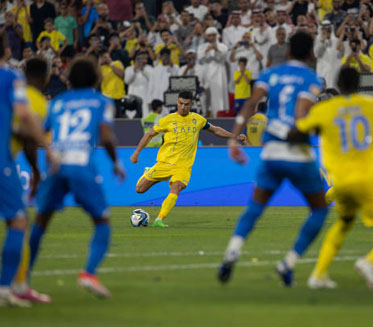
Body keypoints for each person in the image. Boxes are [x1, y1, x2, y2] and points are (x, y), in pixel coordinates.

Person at [218, 32, 329, 287]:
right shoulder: (312, 79)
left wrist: (234, 138)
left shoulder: (270, 75)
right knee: (320, 210)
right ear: (312, 54)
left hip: (271, 154)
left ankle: (231, 252)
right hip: (298, 155)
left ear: (288, 52)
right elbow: (301, 115)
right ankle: (288, 263)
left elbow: (249, 105)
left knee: (255, 207)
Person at [27, 56, 125, 299]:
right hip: (81, 166)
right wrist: (116, 163)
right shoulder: (102, 101)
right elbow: (106, 135)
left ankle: (21, 281)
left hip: (57, 166)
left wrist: (45, 161)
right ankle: (89, 274)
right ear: (96, 77)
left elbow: (40, 133)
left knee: (40, 222)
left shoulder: (57, 103)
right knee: (102, 222)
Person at [300, 67, 373, 292]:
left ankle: (318, 274)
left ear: (338, 85)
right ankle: (369, 262)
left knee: (343, 224)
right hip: (367, 176)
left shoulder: (325, 110)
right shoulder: (369, 105)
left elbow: (299, 129)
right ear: (358, 85)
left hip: (342, 178)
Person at [0, 31, 53, 307]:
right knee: (18, 220)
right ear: (8, 53)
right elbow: (22, 116)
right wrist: (48, 146)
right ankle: (5, 291)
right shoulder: (11, 79)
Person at [130, 91, 246, 228]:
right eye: (180, 104)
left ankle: (159, 219)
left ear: (191, 104)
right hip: (164, 162)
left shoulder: (197, 120)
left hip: (183, 166)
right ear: (177, 102)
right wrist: (137, 152)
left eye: (186, 104)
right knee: (139, 189)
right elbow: (149, 134)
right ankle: (147, 171)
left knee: (177, 187)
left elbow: (215, 130)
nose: (183, 107)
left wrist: (234, 136)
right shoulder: (168, 120)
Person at [198, 27, 229, 116]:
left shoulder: (223, 46)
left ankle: (218, 116)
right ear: (207, 36)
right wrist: (206, 51)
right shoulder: (202, 47)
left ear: (216, 35)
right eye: (209, 35)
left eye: (213, 35)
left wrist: (216, 50)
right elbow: (200, 59)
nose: (211, 37)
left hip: (219, 74)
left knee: (218, 97)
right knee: (205, 96)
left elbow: (223, 58)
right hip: (206, 74)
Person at [315, 20, 341, 89]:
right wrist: (322, 42)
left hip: (334, 73)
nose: (325, 31)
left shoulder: (336, 41)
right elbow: (316, 54)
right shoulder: (318, 40)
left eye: (327, 29)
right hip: (322, 71)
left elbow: (339, 57)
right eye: (323, 29)